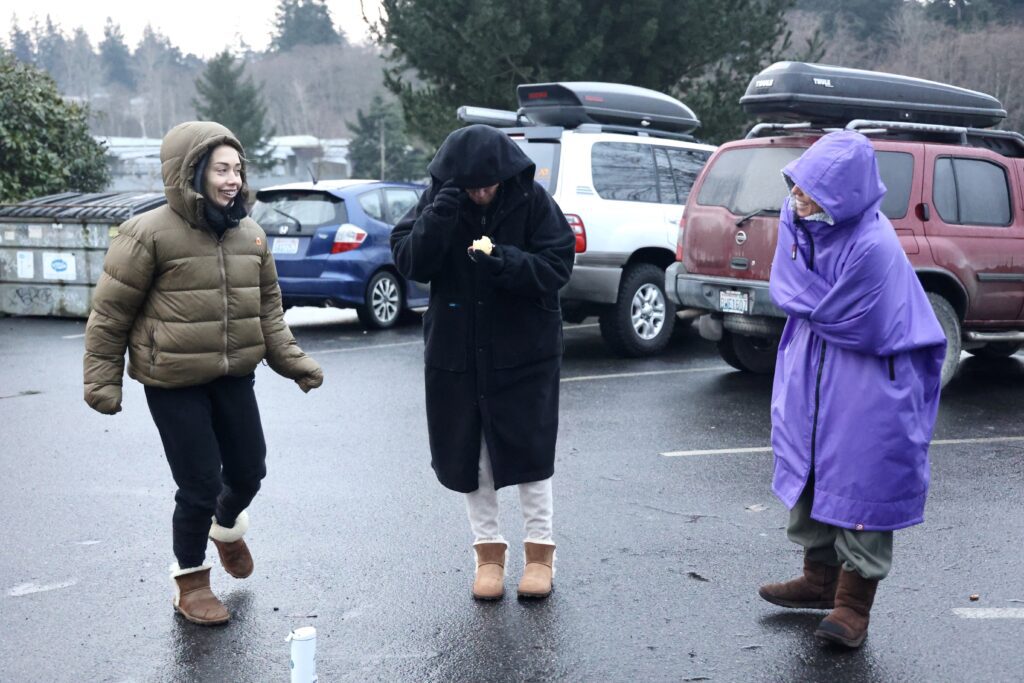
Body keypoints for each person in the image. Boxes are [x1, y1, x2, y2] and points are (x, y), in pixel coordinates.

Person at [83, 121, 323, 625]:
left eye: (237, 168)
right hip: (172, 380)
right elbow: (110, 314)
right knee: (197, 483)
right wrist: (103, 379)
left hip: (234, 374)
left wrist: (291, 360)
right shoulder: (146, 233)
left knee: (248, 471)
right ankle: (190, 581)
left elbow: (269, 312)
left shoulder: (251, 235)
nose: (232, 179)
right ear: (190, 173)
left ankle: (226, 526)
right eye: (221, 169)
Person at [758, 130, 947, 648]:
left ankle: (852, 605)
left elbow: (836, 312)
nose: (797, 197)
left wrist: (807, 303)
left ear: (843, 193)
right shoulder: (806, 224)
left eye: (810, 189)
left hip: (869, 381)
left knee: (862, 483)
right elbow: (790, 289)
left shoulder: (873, 244)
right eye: (796, 185)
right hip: (814, 372)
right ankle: (819, 580)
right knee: (812, 473)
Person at [391, 124, 574, 600]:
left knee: (531, 454)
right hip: (457, 352)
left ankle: (540, 555)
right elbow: (411, 260)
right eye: (469, 187)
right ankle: (488, 555)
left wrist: (506, 261)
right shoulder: (439, 202)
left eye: (486, 185)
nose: (480, 194)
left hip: (525, 351)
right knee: (472, 457)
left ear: (505, 174)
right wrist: (442, 214)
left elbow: (558, 265)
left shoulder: (533, 201)